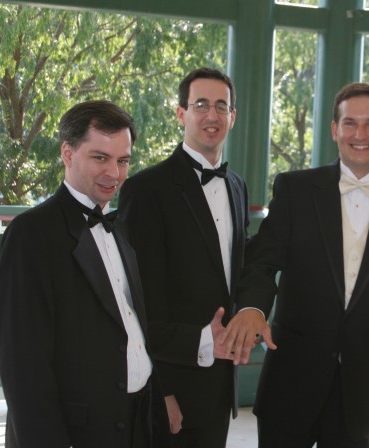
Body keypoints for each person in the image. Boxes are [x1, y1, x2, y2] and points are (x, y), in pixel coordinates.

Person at [222, 82, 369, 448]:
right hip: (290, 384)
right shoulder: (295, 189)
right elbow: (263, 260)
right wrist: (252, 307)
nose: (360, 134)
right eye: (350, 123)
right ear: (334, 129)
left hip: (361, 394)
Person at [0, 100, 170, 447]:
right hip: (77, 432)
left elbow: (132, 327)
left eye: (123, 160)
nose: (114, 173)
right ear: (68, 153)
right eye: (100, 158)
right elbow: (21, 364)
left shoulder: (120, 227)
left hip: (139, 422)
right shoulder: (31, 233)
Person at [117, 67, 248, 448]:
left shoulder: (237, 186)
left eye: (221, 106)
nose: (212, 115)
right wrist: (163, 389)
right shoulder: (146, 190)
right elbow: (139, 300)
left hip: (220, 384)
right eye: (201, 105)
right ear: (181, 114)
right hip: (171, 384)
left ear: (232, 117)